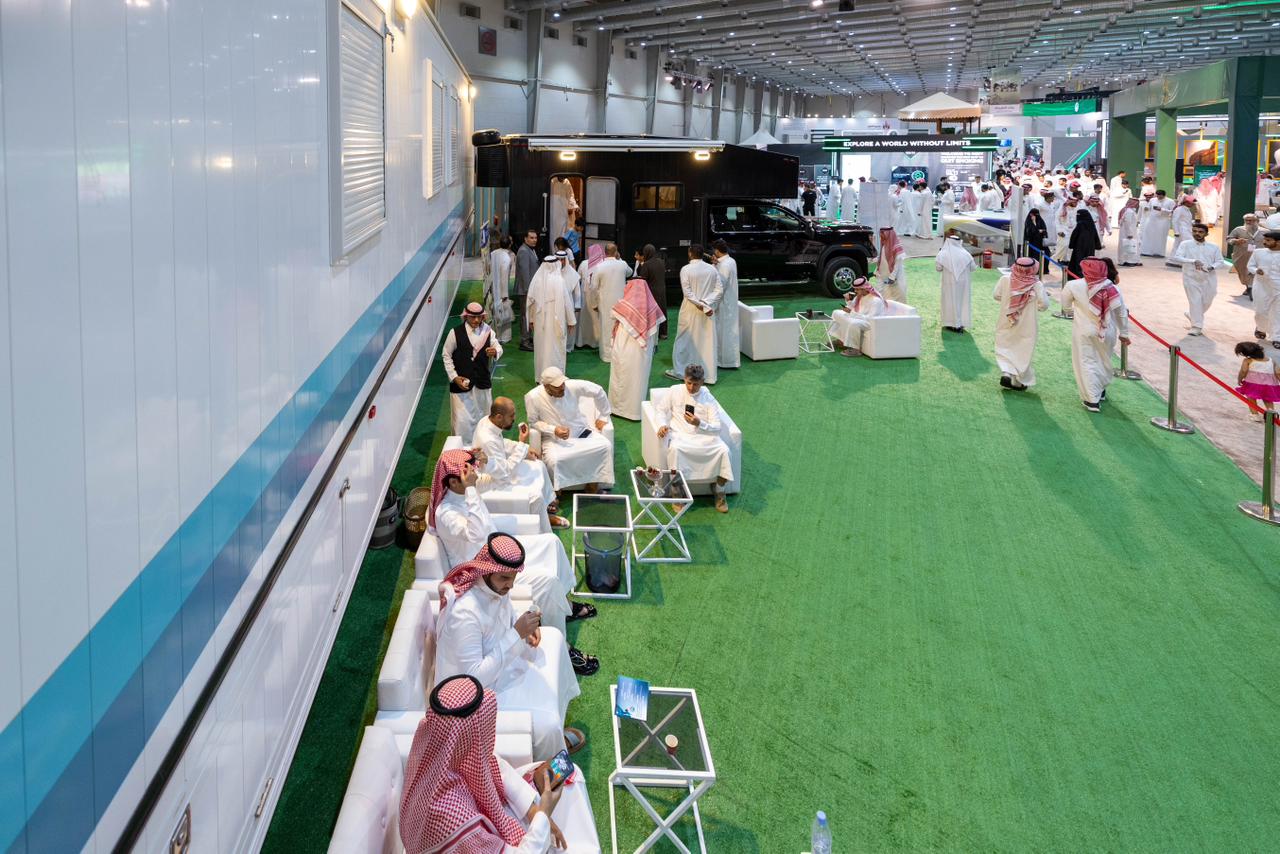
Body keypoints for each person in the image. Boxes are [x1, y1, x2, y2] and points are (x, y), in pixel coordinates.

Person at [398, 674, 600, 854]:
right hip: (471, 837)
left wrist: (532, 810)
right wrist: (544, 815)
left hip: (481, 820)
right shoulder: (455, 822)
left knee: (571, 779)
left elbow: (489, 762)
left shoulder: (435, 750)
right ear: (468, 734)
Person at [433, 533, 585, 762]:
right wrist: (516, 634)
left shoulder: (493, 587)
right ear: (486, 570)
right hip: (476, 696)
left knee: (553, 639)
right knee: (547, 722)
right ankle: (550, 754)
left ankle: (555, 728)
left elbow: (505, 611)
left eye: (513, 578)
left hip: (500, 661)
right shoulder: (465, 615)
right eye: (505, 578)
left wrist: (523, 625)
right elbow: (472, 678)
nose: (511, 585)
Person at [428, 451, 592, 641]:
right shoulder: (446, 512)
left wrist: (487, 463)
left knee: (552, 542)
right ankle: (562, 642)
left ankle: (561, 606)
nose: (474, 475)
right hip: (482, 572)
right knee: (549, 582)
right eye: (469, 473)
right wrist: (471, 489)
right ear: (453, 482)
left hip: (496, 550)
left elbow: (502, 479)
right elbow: (477, 533)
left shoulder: (465, 489)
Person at [472, 397, 566, 527]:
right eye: (511, 416)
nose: (514, 418)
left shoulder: (486, 421)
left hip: (499, 469)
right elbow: (504, 473)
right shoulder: (487, 439)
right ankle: (545, 521)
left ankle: (547, 503)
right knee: (535, 494)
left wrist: (524, 449)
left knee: (538, 464)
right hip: (495, 480)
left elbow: (501, 444)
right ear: (499, 417)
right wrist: (521, 444)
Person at [655, 364, 734, 513]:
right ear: (684, 379)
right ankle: (677, 493)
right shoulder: (674, 391)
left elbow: (717, 427)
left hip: (705, 438)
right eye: (689, 383)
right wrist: (662, 425)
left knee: (725, 451)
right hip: (680, 436)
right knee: (675, 450)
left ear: (702, 382)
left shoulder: (708, 398)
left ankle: (719, 490)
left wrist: (699, 423)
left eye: (696, 384)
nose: (691, 388)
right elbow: (660, 410)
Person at [525, 367, 614, 493]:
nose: (562, 388)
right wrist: (553, 429)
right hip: (554, 439)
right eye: (557, 386)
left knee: (605, 446)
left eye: (563, 383)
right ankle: (557, 490)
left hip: (580, 432)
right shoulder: (533, 397)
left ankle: (592, 485)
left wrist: (604, 415)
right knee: (554, 460)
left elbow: (598, 390)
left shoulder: (572, 385)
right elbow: (533, 422)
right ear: (546, 387)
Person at [1060, 257, 1131, 412]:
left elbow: (1065, 306)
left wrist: (1074, 312)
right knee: (1103, 361)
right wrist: (1124, 333)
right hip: (1108, 331)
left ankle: (1092, 400)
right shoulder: (1113, 288)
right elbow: (1121, 313)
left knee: (1087, 362)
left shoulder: (1073, 285)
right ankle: (1100, 390)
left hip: (1084, 331)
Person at [442, 303, 501, 443]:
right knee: (461, 422)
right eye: (473, 317)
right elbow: (446, 355)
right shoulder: (454, 333)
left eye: (479, 317)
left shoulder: (488, 332)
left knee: (485, 419)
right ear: (466, 316)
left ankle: (483, 447)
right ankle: (461, 452)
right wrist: (454, 377)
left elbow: (498, 347)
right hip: (461, 386)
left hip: (482, 383)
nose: (476, 320)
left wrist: (495, 352)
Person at [608, 278, 665, 420]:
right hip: (643, 351)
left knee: (621, 376)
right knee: (638, 379)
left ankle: (617, 409)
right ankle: (634, 411)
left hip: (625, 347)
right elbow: (655, 330)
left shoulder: (624, 305)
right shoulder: (652, 306)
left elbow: (612, 314)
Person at [992, 257, 1049, 391]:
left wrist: (1009, 302)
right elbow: (1044, 305)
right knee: (1022, 349)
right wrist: (1031, 306)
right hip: (1027, 323)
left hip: (1006, 318)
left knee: (1005, 344)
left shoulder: (1005, 279)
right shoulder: (1037, 284)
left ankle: (1006, 372)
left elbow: (996, 295)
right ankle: (1017, 381)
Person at [669, 245, 723, 384]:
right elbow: (719, 290)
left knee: (683, 340)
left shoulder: (685, 269)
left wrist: (701, 304)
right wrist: (706, 303)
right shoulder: (712, 269)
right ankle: (708, 375)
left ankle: (680, 372)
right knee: (706, 341)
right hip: (707, 309)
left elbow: (687, 293)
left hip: (690, 309)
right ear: (702, 254)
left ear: (690, 254)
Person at [525, 255, 575, 377]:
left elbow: (531, 303)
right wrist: (571, 321)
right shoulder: (559, 281)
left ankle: (541, 376)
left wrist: (531, 319)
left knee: (542, 348)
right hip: (556, 323)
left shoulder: (536, 281)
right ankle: (556, 377)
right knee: (555, 349)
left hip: (540, 322)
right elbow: (567, 303)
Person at [1170, 221, 1223, 336]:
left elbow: (1220, 261)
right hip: (1191, 277)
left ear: (1206, 234)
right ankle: (1196, 326)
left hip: (1209, 277)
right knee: (1195, 301)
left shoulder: (1213, 247)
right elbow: (1177, 257)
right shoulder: (1185, 244)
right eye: (1194, 231)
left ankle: (1192, 314)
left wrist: (1212, 267)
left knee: (1208, 300)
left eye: (1200, 232)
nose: (1197, 233)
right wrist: (1193, 261)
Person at [588, 243, 631, 361]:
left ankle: (606, 355)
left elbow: (593, 287)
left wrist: (594, 303)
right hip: (620, 302)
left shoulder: (599, 267)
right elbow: (630, 272)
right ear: (616, 252)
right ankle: (619, 353)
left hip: (604, 302)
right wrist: (619, 258)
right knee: (620, 327)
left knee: (605, 328)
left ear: (604, 252)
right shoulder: (622, 264)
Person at [832, 277, 885, 357]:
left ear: (864, 289)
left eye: (857, 289)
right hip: (859, 318)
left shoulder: (875, 300)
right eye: (855, 289)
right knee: (836, 313)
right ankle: (841, 341)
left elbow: (871, 319)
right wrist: (848, 301)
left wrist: (852, 313)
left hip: (870, 323)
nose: (855, 291)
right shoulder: (860, 296)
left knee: (853, 323)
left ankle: (855, 349)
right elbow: (852, 307)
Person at [935, 233, 976, 333]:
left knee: (949, 301)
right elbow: (973, 268)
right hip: (963, 283)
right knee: (961, 301)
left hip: (948, 283)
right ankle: (959, 323)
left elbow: (938, 268)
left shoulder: (942, 254)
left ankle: (950, 323)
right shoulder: (966, 254)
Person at [1247, 230, 1280, 348]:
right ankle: (1261, 328)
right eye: (1264, 240)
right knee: (1260, 311)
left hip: (1278, 287)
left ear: (1278, 242)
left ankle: (1276, 337)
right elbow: (1250, 266)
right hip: (1261, 286)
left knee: (1277, 312)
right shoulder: (1258, 252)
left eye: (1268, 240)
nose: (1264, 242)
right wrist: (1256, 271)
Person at [712, 240, 741, 369]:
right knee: (728, 331)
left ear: (717, 251)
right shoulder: (731, 261)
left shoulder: (724, 265)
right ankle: (729, 360)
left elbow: (720, 286)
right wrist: (715, 264)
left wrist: (712, 304)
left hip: (724, 303)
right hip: (729, 302)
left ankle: (724, 361)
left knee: (724, 332)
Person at [1235, 341, 1280, 421]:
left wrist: (1240, 379)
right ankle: (1271, 414)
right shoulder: (1270, 360)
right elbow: (1278, 372)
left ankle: (1255, 415)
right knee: (1268, 399)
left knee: (1251, 397)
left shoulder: (1248, 360)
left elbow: (1243, 371)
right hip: (1269, 385)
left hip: (1253, 384)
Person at [632, 244, 668, 339]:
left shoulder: (647, 264)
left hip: (651, 291)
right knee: (662, 310)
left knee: (652, 312)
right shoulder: (661, 262)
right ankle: (663, 333)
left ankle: (653, 333)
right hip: (661, 290)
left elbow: (642, 278)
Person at [553, 242, 583, 350]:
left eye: (562, 260)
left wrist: (577, 305)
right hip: (554, 304)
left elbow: (577, 292)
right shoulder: (551, 272)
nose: (560, 262)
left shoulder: (572, 273)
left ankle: (567, 347)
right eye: (558, 260)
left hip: (569, 304)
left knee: (568, 325)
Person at [515, 230, 540, 351]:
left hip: (529, 289)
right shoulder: (524, 251)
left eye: (535, 238)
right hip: (526, 290)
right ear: (525, 239)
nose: (534, 240)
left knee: (528, 315)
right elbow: (525, 273)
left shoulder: (529, 249)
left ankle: (528, 338)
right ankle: (524, 341)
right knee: (525, 315)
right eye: (531, 237)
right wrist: (529, 291)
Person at [1228, 212, 1263, 298]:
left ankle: (1251, 288)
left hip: (1258, 256)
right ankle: (1248, 287)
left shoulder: (1264, 231)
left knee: (1255, 271)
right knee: (1244, 272)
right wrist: (1235, 241)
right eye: (1246, 220)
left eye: (1251, 220)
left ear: (1257, 221)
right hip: (1242, 255)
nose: (1248, 222)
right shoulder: (1238, 230)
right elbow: (1228, 239)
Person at [488, 234, 516, 343]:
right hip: (501, 290)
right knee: (504, 313)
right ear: (509, 245)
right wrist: (504, 295)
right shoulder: (506, 258)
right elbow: (504, 276)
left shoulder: (493, 253)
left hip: (492, 287)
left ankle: (494, 334)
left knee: (494, 312)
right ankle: (503, 337)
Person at [575, 243, 602, 350]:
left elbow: (578, 277)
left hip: (585, 295)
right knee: (595, 318)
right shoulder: (602, 264)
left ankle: (581, 342)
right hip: (597, 296)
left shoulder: (583, 263)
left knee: (583, 318)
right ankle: (595, 342)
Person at [1067, 208, 1103, 280]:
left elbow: (1074, 235)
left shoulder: (1080, 224)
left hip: (1079, 247)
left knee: (1078, 262)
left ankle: (1078, 277)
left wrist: (1071, 245)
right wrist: (1097, 246)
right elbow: (1096, 236)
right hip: (1090, 247)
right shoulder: (1091, 224)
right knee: (1088, 262)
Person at [876, 226, 907, 302]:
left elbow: (897, 264)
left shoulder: (896, 246)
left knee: (897, 298)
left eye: (883, 233)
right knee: (885, 297)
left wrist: (892, 277)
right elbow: (882, 260)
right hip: (884, 276)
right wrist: (877, 270)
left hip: (895, 278)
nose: (881, 235)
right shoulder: (884, 245)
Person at [1140, 189, 1174, 257]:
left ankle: (1159, 253)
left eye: (1160, 196)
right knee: (1149, 235)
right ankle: (1146, 251)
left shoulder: (1170, 201)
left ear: (1164, 195)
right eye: (1157, 196)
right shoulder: (1152, 200)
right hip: (1152, 220)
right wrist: (1146, 208)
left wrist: (1161, 209)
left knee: (1160, 237)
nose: (1158, 197)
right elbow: (1149, 207)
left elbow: (1172, 211)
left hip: (1163, 221)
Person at [549, 177, 578, 246]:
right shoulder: (552, 181)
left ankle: (561, 249)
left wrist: (573, 206)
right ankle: (554, 250)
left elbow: (571, 196)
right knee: (553, 232)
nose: (563, 178)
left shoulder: (567, 182)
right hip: (553, 211)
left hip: (563, 212)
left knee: (563, 232)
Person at [1170, 194, 1197, 259]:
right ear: (1186, 202)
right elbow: (1174, 221)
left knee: (1178, 245)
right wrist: (1176, 232)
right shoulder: (1179, 209)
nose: (1193, 204)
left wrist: (1193, 223)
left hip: (1187, 230)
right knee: (1187, 244)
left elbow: (1186, 220)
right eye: (1192, 202)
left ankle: (1174, 259)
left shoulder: (1187, 210)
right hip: (1181, 231)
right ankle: (1177, 259)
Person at [1117, 198, 1142, 267]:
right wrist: (1129, 233)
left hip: (1131, 231)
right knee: (1128, 246)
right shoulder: (1129, 211)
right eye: (1137, 204)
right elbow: (1128, 223)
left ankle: (1133, 260)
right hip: (1127, 232)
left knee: (1132, 246)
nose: (1138, 205)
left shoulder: (1130, 210)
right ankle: (1127, 261)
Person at [1024, 207, 1051, 272]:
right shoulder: (1028, 222)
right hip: (1032, 244)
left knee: (1046, 254)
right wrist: (1034, 223)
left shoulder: (1040, 220)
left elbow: (1044, 230)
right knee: (1034, 256)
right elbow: (1030, 232)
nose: (1036, 216)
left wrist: (1039, 231)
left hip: (1041, 243)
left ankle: (1044, 269)